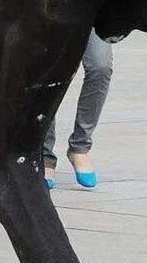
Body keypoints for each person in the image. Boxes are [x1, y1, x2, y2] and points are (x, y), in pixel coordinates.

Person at [43, 32, 113, 189]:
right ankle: (44, 156)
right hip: (53, 10)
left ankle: (79, 146)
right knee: (48, 70)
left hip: (94, 14)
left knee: (100, 67)